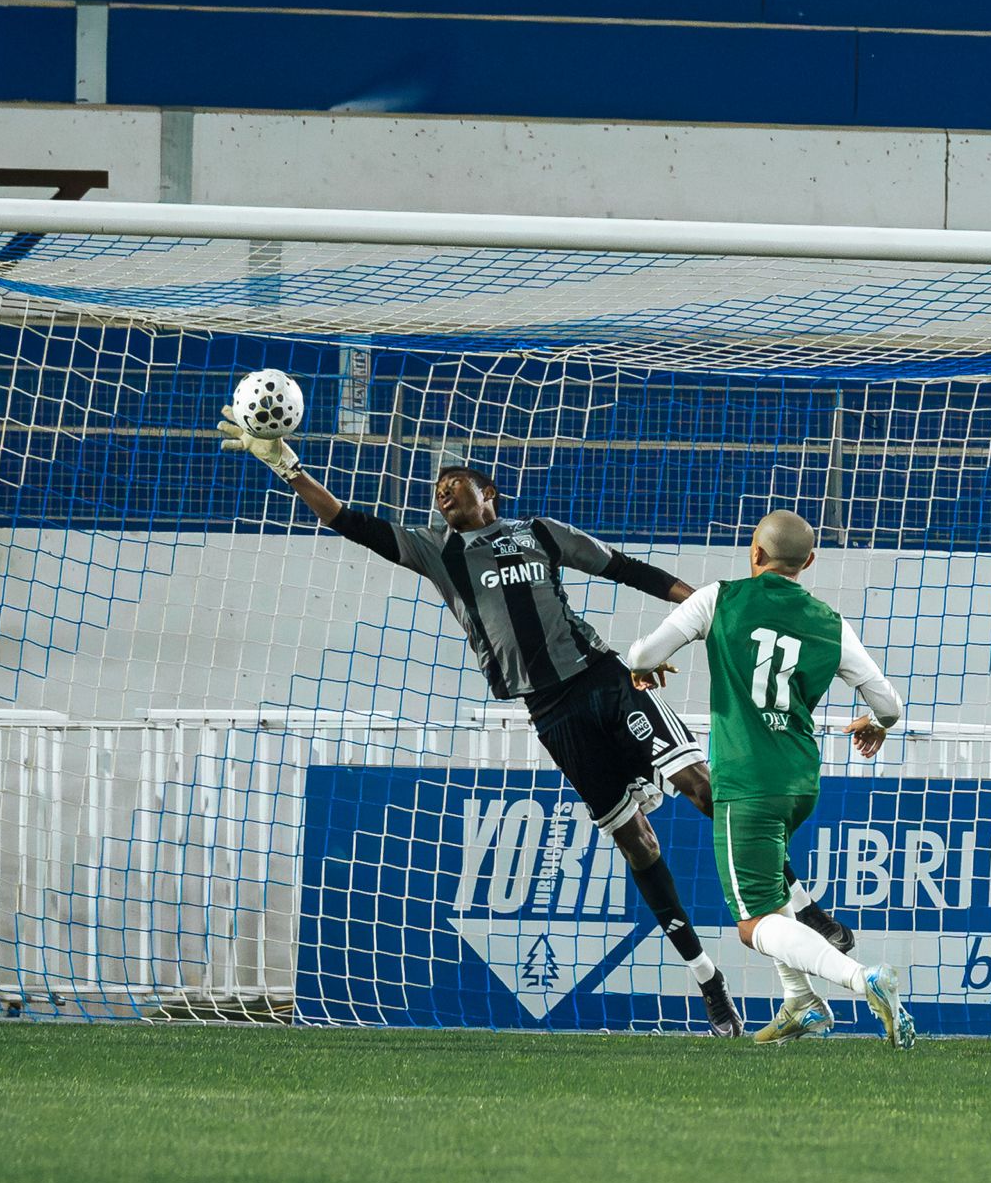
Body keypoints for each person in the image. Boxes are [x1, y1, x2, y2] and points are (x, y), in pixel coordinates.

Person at [218, 409, 853, 1036]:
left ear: (486, 493)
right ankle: (706, 977)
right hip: (551, 714)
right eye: (436, 491)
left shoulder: (541, 533)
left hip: (608, 682)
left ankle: (810, 913)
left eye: (452, 484)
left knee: (707, 789)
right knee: (638, 845)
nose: (440, 494)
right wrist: (289, 468)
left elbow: (624, 568)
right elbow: (349, 522)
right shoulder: (436, 552)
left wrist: (710, 606)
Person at [626, 508, 915, 1048]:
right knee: (774, 892)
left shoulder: (721, 597)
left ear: (755, 555)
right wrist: (875, 725)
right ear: (807, 562)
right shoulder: (830, 621)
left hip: (747, 782)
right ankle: (803, 1005)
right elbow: (889, 704)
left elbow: (643, 653)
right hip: (801, 781)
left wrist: (643, 667)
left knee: (752, 923)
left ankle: (863, 980)